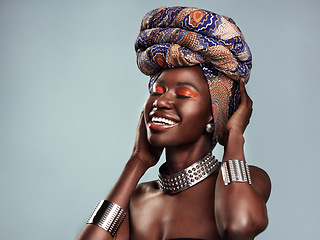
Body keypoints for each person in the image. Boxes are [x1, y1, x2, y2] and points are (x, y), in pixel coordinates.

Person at [76, 6, 271, 240]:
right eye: (157, 91)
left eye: (184, 94)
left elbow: (239, 226)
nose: (162, 101)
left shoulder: (250, 180)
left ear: (213, 114)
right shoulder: (136, 198)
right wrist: (137, 162)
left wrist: (234, 136)